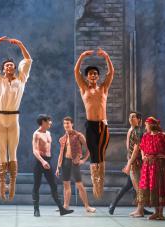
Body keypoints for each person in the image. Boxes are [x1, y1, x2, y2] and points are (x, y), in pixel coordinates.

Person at [0, 36, 32, 201]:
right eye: (7, 65)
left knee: (13, 152)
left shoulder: (21, 79)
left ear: (15, 68)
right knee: (2, 153)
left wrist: (21, 44)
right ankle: (2, 186)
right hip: (0, 117)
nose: (10, 66)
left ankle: (12, 186)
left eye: (12, 64)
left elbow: (27, 59)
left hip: (13, 119)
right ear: (4, 68)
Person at [73, 48, 114, 199]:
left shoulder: (103, 88)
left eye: (95, 74)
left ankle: (100, 184)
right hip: (90, 125)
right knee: (93, 154)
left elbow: (111, 73)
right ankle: (95, 183)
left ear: (98, 76)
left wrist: (107, 57)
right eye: (90, 74)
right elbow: (76, 72)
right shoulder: (84, 88)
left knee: (101, 154)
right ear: (87, 76)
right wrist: (82, 56)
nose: (93, 76)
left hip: (103, 126)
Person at [109, 111, 152, 216]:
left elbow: (137, 149)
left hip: (137, 163)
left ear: (139, 120)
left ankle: (140, 209)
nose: (130, 118)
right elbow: (129, 148)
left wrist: (129, 164)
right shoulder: (130, 130)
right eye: (129, 117)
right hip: (133, 162)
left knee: (136, 186)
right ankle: (139, 208)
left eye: (133, 117)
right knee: (132, 186)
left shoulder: (138, 131)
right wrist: (128, 162)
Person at [137, 117, 165, 220]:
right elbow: (141, 147)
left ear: (151, 125)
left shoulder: (162, 135)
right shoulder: (146, 136)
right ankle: (157, 213)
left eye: (146, 124)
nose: (145, 126)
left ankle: (160, 213)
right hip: (148, 165)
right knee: (152, 187)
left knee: (159, 186)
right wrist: (143, 156)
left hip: (160, 164)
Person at [32, 114, 74, 217]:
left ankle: (61, 209)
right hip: (39, 162)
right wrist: (42, 161)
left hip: (48, 161)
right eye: (48, 121)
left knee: (53, 185)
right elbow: (35, 151)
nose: (50, 123)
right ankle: (36, 210)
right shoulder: (36, 134)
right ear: (43, 122)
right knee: (36, 185)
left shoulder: (48, 133)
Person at [55, 116, 96, 213]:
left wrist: (84, 160)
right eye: (65, 123)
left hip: (75, 162)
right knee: (66, 185)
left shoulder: (78, 135)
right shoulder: (62, 139)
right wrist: (58, 167)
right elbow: (61, 154)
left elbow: (89, 149)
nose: (66, 125)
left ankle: (87, 206)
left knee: (79, 185)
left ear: (72, 124)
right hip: (65, 162)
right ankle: (65, 206)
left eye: (68, 123)